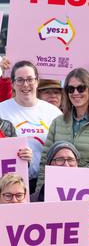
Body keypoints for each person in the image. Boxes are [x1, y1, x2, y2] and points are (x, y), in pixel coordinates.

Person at [36, 68, 89, 192]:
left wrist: (72, 181)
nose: (75, 93)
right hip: (56, 190)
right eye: (70, 89)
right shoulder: (57, 122)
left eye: (81, 88)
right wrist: (39, 193)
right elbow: (45, 162)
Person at [0, 61, 62, 192]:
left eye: (30, 79)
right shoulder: (2, 110)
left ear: (37, 81)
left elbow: (62, 147)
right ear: (13, 83)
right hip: (10, 186)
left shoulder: (53, 112)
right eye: (20, 80)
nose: (25, 84)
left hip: (44, 183)